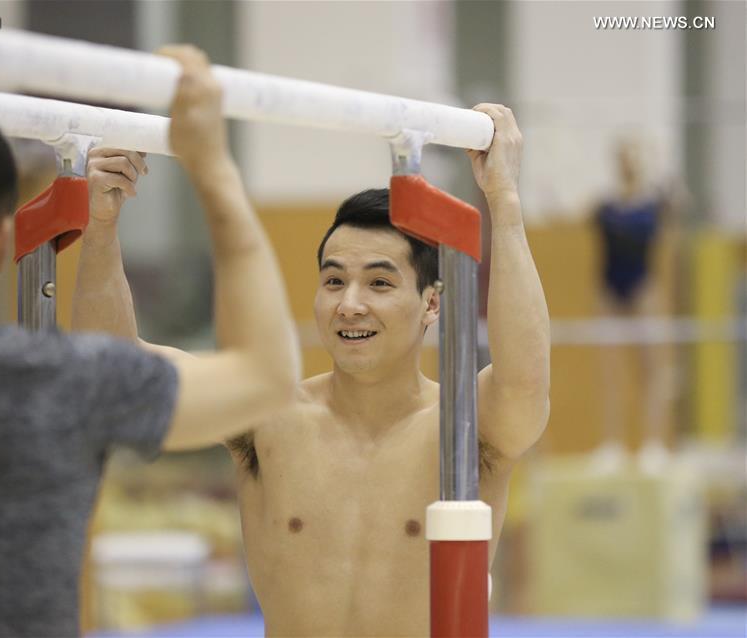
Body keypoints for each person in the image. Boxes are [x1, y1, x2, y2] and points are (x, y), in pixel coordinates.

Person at [0, 46, 298, 637]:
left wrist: (102, 225)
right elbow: (267, 376)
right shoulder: (57, 380)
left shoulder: (62, 375)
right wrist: (211, 166)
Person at [76, 90, 549, 634]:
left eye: (378, 282)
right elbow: (111, 369)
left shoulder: (467, 429)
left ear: (432, 303)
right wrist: (100, 226)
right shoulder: (267, 411)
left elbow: (526, 381)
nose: (349, 303)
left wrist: (504, 203)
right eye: (333, 281)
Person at [591, 137, 678, 473]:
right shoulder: (605, 206)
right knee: (610, 371)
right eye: (623, 158)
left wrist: (663, 174)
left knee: (653, 369)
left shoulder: (655, 204)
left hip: (643, 289)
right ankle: (612, 443)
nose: (627, 164)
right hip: (610, 290)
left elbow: (678, 211)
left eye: (633, 158)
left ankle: (653, 443)